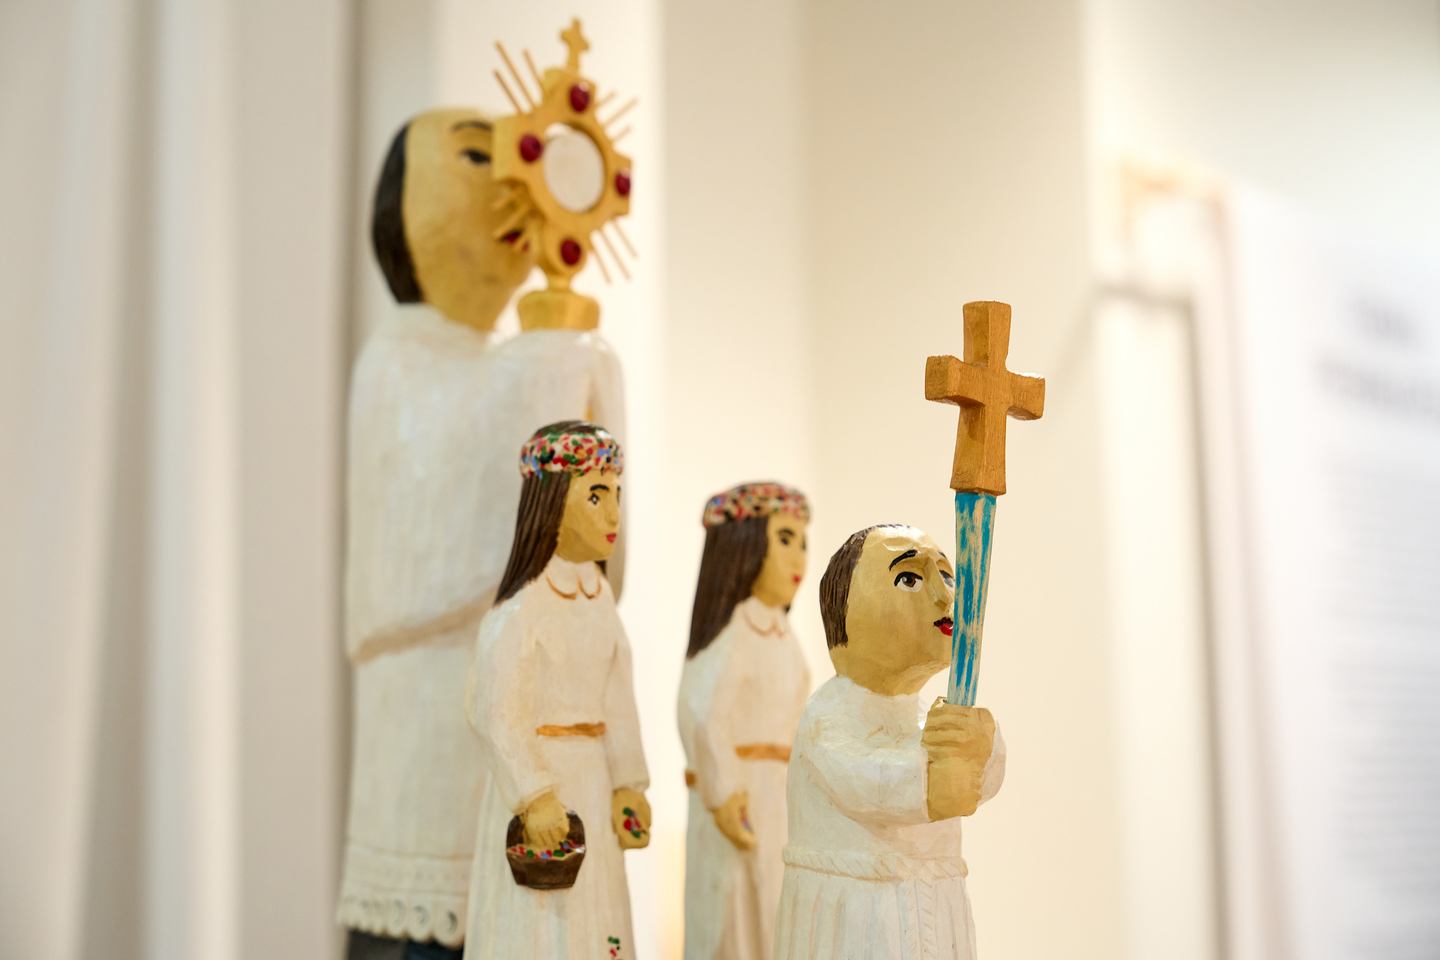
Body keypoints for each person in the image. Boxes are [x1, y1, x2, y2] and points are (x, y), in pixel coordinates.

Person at [339, 111, 626, 957]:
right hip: (426, 733)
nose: (513, 174)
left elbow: (595, 552)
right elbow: (442, 530)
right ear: (399, 212)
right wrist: (555, 352)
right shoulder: (397, 359)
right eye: (476, 153)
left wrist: (573, 353)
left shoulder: (529, 357)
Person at [773, 524, 1006, 960]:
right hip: (859, 914)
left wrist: (982, 746)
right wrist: (937, 778)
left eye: (947, 576)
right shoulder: (829, 715)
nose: (944, 596)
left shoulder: (926, 713)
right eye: (909, 579)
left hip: (934, 904)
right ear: (845, 612)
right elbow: (868, 781)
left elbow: (971, 786)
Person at [463, 421, 651, 960]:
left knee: (598, 917)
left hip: (593, 778)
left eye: (616, 495)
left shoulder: (600, 601)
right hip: (547, 788)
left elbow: (618, 699)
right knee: (540, 926)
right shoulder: (522, 609)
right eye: (595, 495)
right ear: (551, 503)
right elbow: (494, 711)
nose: (613, 514)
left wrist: (628, 783)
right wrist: (534, 794)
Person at [677, 483, 811, 959]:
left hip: (781, 799)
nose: (798, 557)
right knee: (733, 917)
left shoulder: (784, 637)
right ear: (745, 546)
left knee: (777, 914)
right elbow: (701, 714)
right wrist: (724, 791)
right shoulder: (733, 633)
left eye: (802, 542)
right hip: (740, 798)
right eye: (784, 539)